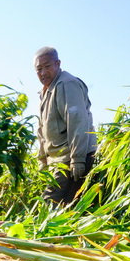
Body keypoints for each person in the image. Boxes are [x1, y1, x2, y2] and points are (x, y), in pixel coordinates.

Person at [34, 46, 97, 205]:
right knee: (61, 208)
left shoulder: (67, 85)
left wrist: (78, 160)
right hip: (58, 161)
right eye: (39, 69)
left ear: (58, 64)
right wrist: (43, 163)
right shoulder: (45, 92)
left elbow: (77, 122)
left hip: (70, 159)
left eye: (47, 66)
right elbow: (42, 132)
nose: (43, 72)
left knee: (49, 205)